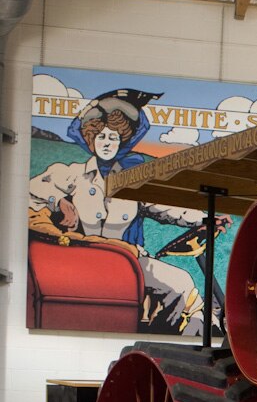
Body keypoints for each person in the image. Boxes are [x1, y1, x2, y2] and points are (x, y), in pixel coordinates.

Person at [28, 88, 224, 336]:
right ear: (91, 140)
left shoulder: (134, 180)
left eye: (113, 137)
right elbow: (34, 188)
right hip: (85, 259)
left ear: (122, 139)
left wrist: (208, 216)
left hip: (129, 260)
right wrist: (59, 202)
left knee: (181, 282)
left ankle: (175, 334)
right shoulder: (73, 174)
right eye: (101, 137)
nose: (107, 143)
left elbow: (168, 208)